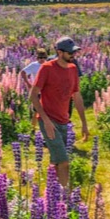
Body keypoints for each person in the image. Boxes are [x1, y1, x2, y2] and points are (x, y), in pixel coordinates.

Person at [30, 36, 89, 190]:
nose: (73, 55)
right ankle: (66, 198)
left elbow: (77, 96)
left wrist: (84, 123)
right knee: (64, 161)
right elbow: (33, 95)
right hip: (49, 121)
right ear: (59, 52)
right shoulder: (47, 68)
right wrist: (45, 120)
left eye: (74, 52)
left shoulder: (73, 69)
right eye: (70, 53)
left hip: (64, 121)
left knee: (56, 161)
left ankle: (53, 195)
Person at [20, 48, 48, 130]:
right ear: (37, 58)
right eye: (40, 58)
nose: (42, 59)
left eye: (43, 57)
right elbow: (23, 72)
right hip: (37, 91)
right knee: (36, 110)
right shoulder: (34, 65)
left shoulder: (48, 65)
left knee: (48, 110)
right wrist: (28, 83)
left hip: (47, 91)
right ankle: (33, 128)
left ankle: (47, 128)